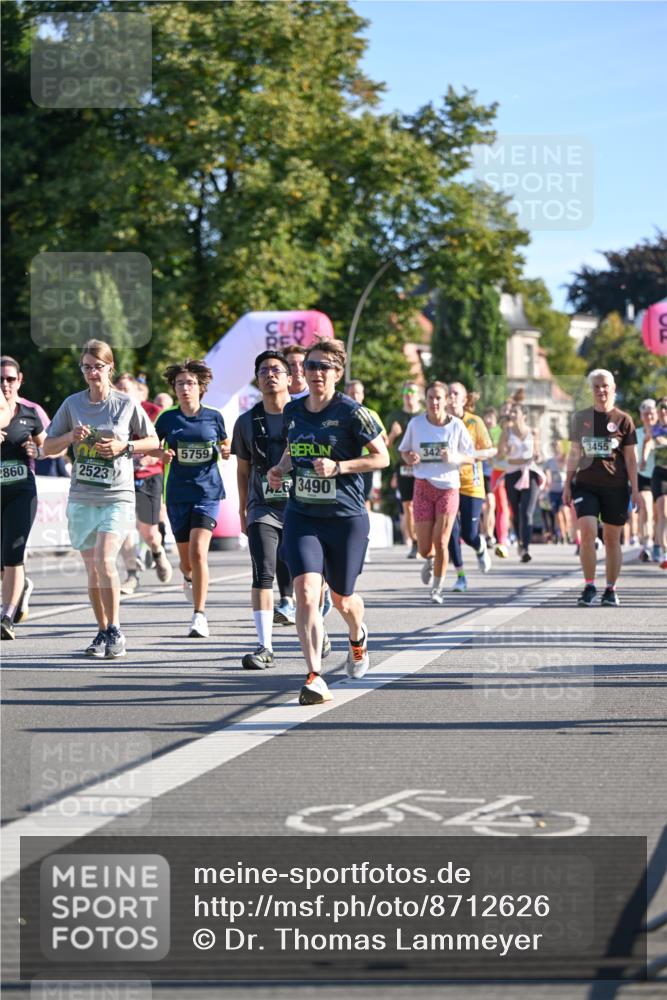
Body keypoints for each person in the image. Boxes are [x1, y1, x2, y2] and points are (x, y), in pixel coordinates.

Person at [267, 339, 389, 705]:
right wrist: (280, 468)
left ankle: (357, 636)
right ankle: (315, 675)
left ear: (337, 373)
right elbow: (293, 446)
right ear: (301, 371)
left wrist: (341, 467)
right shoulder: (292, 410)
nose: (317, 372)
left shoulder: (354, 412)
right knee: (305, 593)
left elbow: (382, 458)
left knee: (342, 599)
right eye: (311, 366)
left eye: (324, 367)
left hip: (345, 517)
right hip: (303, 513)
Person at [43, 340, 159, 656]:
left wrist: (125, 447)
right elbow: (47, 447)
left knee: (104, 559)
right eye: (87, 367)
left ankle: (116, 630)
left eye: (99, 366)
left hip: (117, 495)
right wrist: (69, 437)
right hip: (82, 496)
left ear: (110, 367)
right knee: (92, 569)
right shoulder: (72, 404)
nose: (93, 372)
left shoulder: (126, 403)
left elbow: (152, 440)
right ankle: (102, 630)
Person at [150, 360, 229, 637]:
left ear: (201, 388)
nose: (185, 388)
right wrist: (161, 454)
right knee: (186, 562)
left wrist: (227, 449)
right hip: (178, 493)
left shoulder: (214, 417)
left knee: (198, 552)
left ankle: (199, 615)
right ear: (174, 387)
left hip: (208, 492)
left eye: (191, 383)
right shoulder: (167, 419)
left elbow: (224, 444)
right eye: (180, 383)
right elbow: (150, 448)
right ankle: (187, 577)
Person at [232, 351, 297, 669]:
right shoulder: (245, 422)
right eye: (263, 371)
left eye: (275, 369)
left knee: (307, 574)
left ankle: (317, 627)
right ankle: (265, 645)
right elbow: (242, 471)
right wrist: (244, 510)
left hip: (303, 506)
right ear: (257, 380)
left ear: (289, 377)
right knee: (263, 572)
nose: (269, 375)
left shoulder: (304, 415)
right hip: (263, 508)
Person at [563, 369, 639, 606]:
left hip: (615, 486)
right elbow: (574, 453)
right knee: (587, 531)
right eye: (596, 386)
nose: (601, 390)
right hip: (586, 485)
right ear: (591, 390)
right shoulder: (580, 418)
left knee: (611, 538)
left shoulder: (624, 420)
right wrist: (567, 483)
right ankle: (589, 586)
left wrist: (635, 489)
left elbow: (630, 459)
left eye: (605, 386)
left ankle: (610, 589)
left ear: (613, 388)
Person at [398, 381, 474, 604]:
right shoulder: (416, 423)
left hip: (449, 488)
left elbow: (471, 456)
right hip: (422, 485)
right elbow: (404, 451)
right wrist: (410, 458)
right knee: (424, 547)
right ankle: (429, 560)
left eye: (438, 398)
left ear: (446, 401)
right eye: (430, 397)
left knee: (441, 541)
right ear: (426, 400)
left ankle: (437, 589)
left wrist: (454, 458)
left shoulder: (457, 426)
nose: (434, 402)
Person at [1, 356, 46, 639]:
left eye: (10, 379)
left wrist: (36, 452)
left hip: (21, 491)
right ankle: (19, 591)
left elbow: (49, 448)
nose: (5, 384)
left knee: (13, 554)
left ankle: (6, 617)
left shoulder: (30, 412)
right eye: (0, 379)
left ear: (20, 380)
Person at [114, 373, 173, 593]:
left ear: (138, 392)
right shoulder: (111, 412)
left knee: (148, 533)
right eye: (118, 388)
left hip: (149, 476)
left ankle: (157, 552)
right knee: (125, 527)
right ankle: (132, 574)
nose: (121, 393)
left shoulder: (153, 412)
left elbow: (165, 441)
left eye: (126, 389)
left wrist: (151, 453)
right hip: (121, 478)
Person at [446, 383, 495, 592]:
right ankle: (461, 576)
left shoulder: (475, 422)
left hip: (471, 484)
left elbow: (490, 451)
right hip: (447, 482)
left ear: (465, 400)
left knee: (468, 534)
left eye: (456, 394)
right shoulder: (440, 422)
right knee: (450, 530)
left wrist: (467, 457)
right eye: (448, 393)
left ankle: (479, 545)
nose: (451, 397)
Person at [497, 403, 542, 563]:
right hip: (512, 474)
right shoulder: (506, 432)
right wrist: (506, 452)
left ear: (524, 414)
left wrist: (536, 457)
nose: (512, 414)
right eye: (511, 412)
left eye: (515, 412)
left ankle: (526, 548)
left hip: (530, 474)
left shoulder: (533, 431)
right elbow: (501, 455)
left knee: (527, 512)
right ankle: (520, 542)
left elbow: (538, 455)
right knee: (516, 511)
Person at [386, 380, 423, 558]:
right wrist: (393, 434)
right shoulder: (394, 416)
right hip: (402, 467)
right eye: (406, 392)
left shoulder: (424, 415)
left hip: (423, 466)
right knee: (408, 506)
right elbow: (384, 445)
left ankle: (426, 539)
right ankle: (415, 542)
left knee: (422, 505)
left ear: (419, 395)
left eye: (413, 392)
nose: (409, 395)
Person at [641, 396, 667, 569]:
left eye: (665, 407)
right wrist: (643, 458)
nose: (663, 411)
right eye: (661, 408)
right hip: (660, 473)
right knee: (662, 512)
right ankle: (664, 552)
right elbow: (648, 442)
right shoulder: (655, 428)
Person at [636, 398, 658, 562]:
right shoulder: (635, 433)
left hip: (660, 476)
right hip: (642, 476)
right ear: (641, 416)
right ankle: (646, 545)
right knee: (646, 509)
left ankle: (658, 544)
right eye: (646, 414)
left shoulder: (662, 431)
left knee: (659, 514)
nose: (649, 416)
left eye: (651, 413)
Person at [542, 441, 570, 544]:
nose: (556, 448)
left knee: (565, 512)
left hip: (564, 490)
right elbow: (545, 472)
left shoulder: (565, 459)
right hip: (553, 491)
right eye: (554, 446)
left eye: (558, 446)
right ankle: (562, 535)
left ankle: (567, 532)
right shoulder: (549, 461)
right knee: (557, 514)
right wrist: (546, 481)